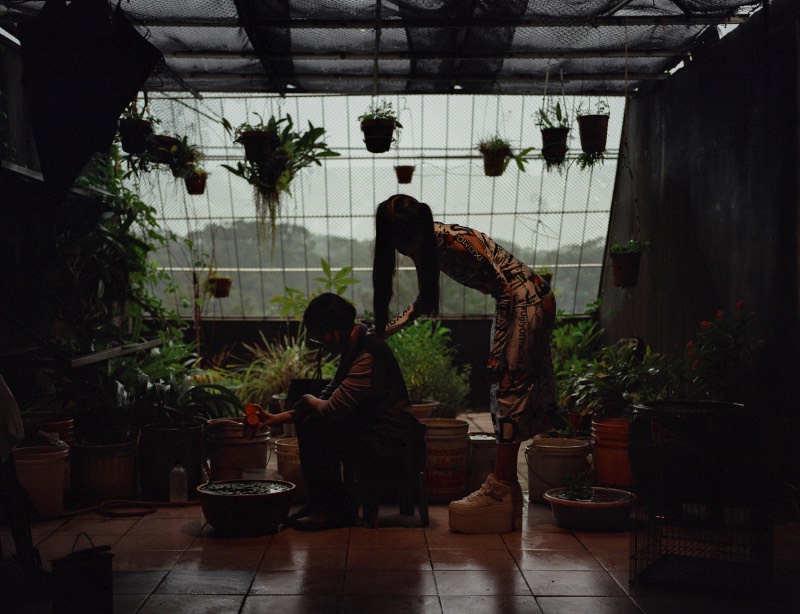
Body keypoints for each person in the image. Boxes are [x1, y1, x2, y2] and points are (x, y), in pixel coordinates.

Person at [373, 194, 557, 534]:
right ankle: (505, 489)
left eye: (406, 242)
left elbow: (505, 289)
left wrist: (497, 350)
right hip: (516, 302)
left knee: (509, 385)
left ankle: (502, 487)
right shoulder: (428, 245)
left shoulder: (456, 244)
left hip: (526, 297)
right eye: (397, 244)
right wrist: (387, 329)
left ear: (420, 230)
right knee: (502, 389)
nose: (404, 251)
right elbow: (423, 300)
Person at [257, 292, 425, 531]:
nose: (321, 345)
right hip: (374, 431)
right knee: (313, 420)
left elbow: (333, 408)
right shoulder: (353, 347)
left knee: (318, 426)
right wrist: (275, 418)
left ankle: (333, 510)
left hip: (392, 439)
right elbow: (327, 397)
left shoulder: (368, 352)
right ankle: (319, 504)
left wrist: (307, 399)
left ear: (334, 331)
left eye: (319, 338)